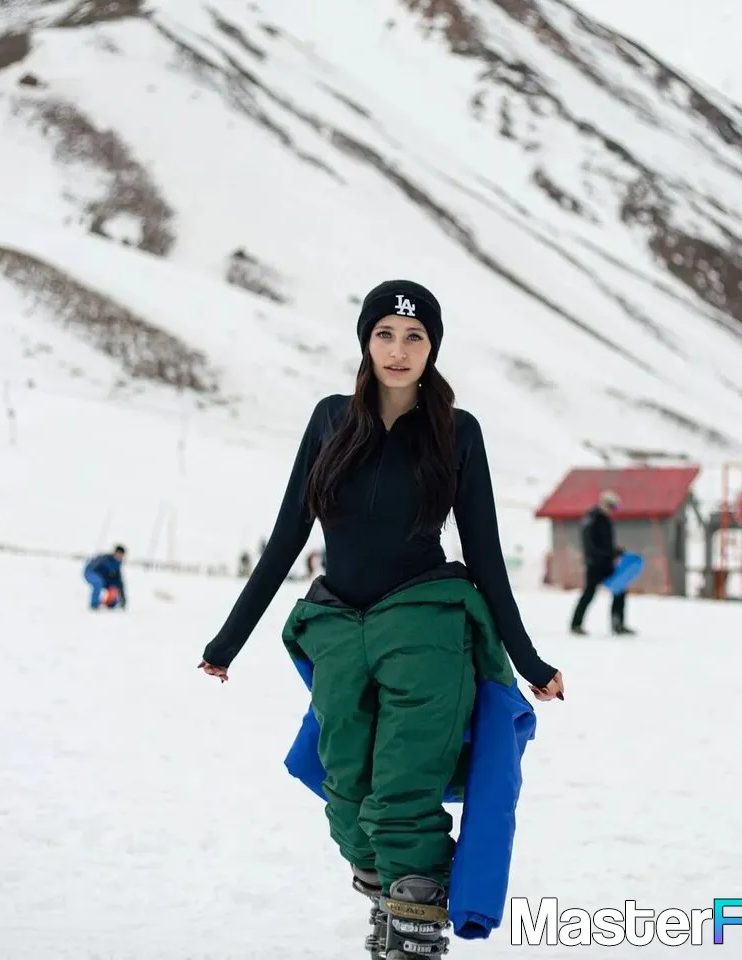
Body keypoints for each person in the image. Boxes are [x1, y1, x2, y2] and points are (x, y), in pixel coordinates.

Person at [198, 280, 563, 958]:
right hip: (339, 626)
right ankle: (389, 899)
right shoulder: (330, 421)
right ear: (366, 342)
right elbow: (288, 535)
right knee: (346, 791)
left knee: (403, 788)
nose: (398, 350)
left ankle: (415, 930)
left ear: (432, 348)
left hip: (424, 624)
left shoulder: (457, 432)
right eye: (385, 335)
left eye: (414, 337)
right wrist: (228, 640)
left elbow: (484, 553)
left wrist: (528, 660)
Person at [569, 490, 634, 635]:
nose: (614, 511)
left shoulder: (606, 520)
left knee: (619, 589)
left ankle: (618, 624)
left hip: (607, 563)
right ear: (606, 504)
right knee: (589, 593)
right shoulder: (592, 519)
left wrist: (615, 551)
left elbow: (606, 544)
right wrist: (604, 555)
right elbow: (590, 545)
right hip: (595, 564)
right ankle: (576, 624)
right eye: (613, 507)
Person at [83, 544, 127, 609]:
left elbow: (119, 581)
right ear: (115, 553)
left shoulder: (117, 565)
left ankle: (109, 603)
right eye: (118, 554)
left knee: (114, 587)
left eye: (121, 555)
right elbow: (95, 567)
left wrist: (123, 599)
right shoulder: (105, 558)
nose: (119, 557)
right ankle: (94, 604)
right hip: (91, 572)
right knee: (98, 582)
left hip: (103, 578)